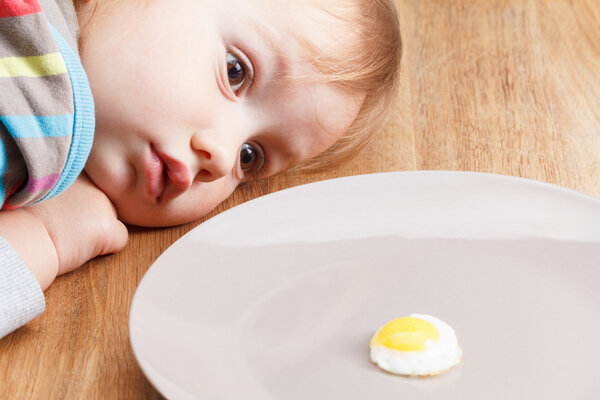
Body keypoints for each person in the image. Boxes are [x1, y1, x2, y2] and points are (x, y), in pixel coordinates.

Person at [0, 0, 402, 338]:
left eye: (250, 157)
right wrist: (41, 239)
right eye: (234, 71)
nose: (224, 157)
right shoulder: (34, 112)